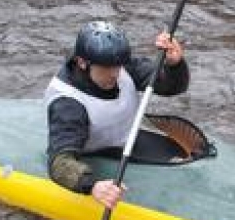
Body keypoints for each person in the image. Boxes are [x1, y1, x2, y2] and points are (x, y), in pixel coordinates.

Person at [44, 20, 189, 209]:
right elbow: (59, 163)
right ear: (82, 63)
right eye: (106, 67)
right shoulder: (68, 104)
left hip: (127, 141)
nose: (114, 74)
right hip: (91, 155)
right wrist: (92, 186)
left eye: (117, 66)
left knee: (185, 157)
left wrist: (174, 65)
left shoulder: (120, 67)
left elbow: (170, 86)